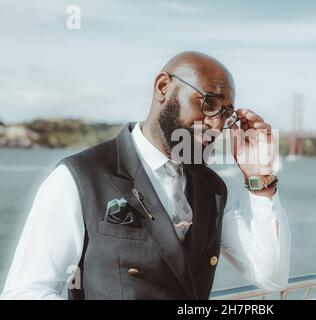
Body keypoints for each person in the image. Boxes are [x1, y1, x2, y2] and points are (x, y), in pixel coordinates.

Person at [1, 51, 290, 300]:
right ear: (163, 87)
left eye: (226, 114)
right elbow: (26, 291)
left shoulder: (212, 189)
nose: (216, 125)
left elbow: (271, 277)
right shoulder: (78, 177)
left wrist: (261, 181)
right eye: (209, 103)